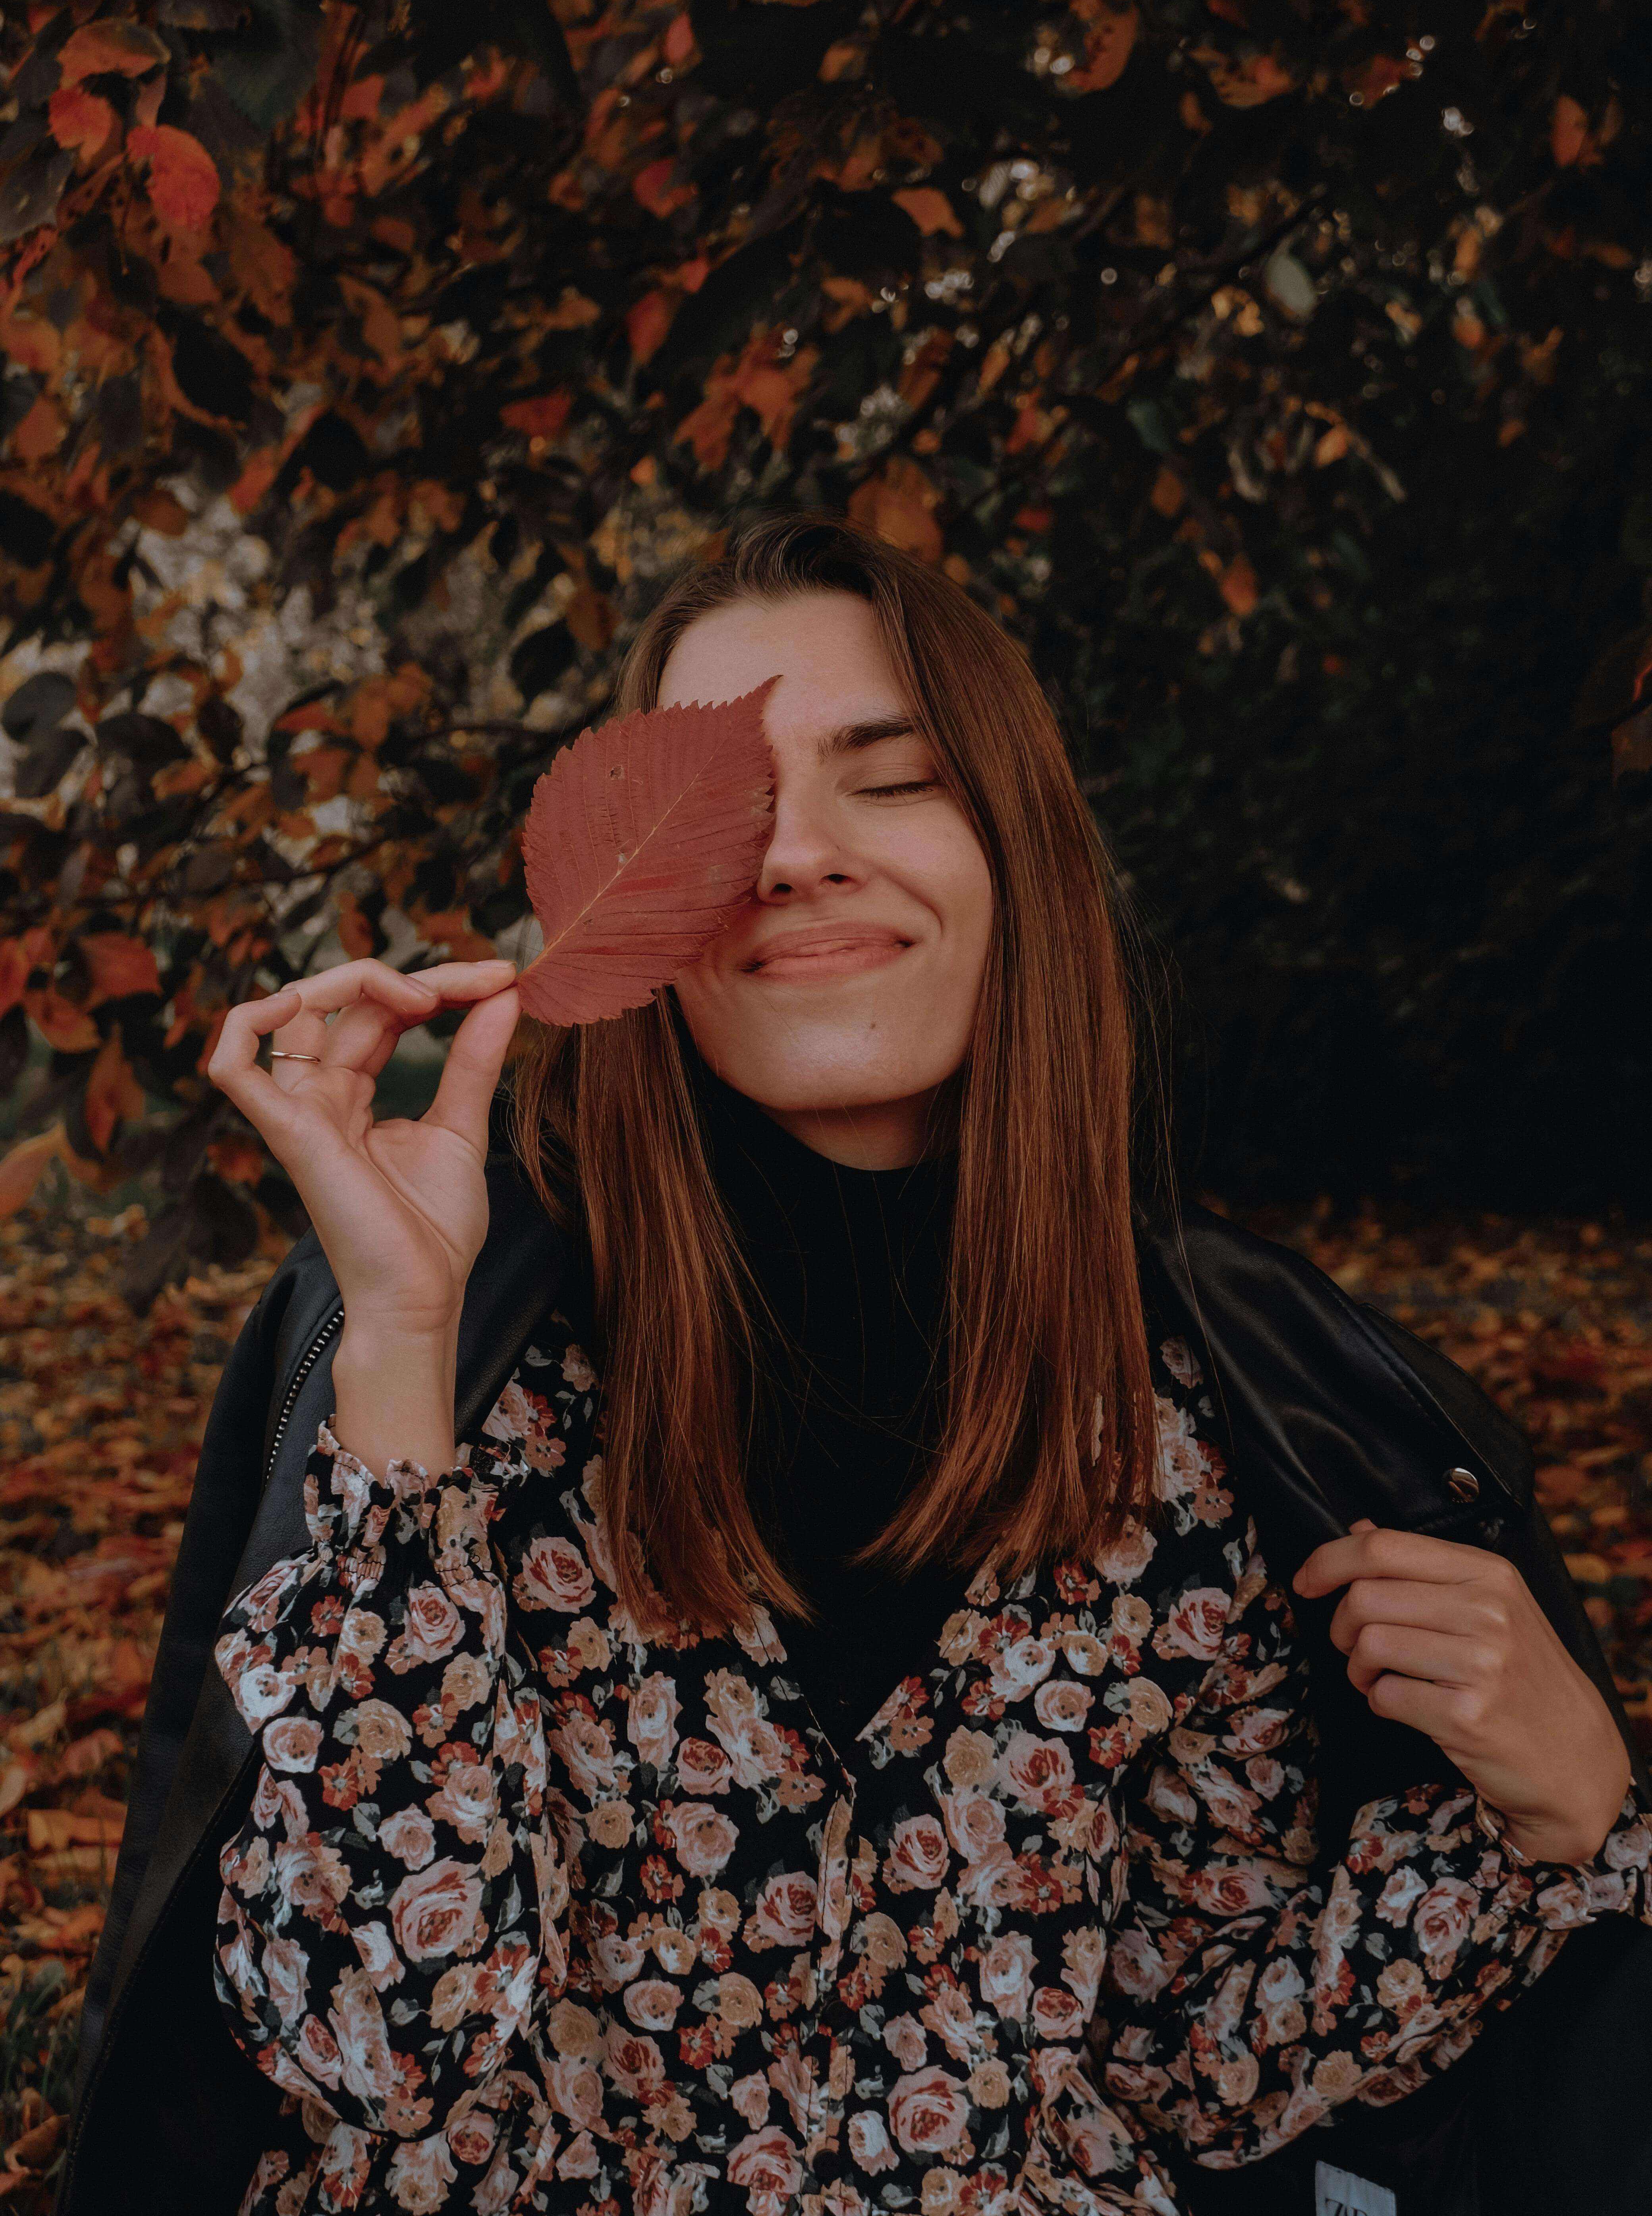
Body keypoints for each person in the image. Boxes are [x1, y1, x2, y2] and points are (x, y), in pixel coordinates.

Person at [193, 515, 1646, 2214]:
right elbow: (373, 2052)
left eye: (890, 780)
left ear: (1016, 848)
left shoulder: (1198, 1423)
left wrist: (1557, 1820)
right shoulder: (466, 1362)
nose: (797, 856)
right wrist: (399, 1351)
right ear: (631, 905)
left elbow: (1184, 2060)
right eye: (726, 815)